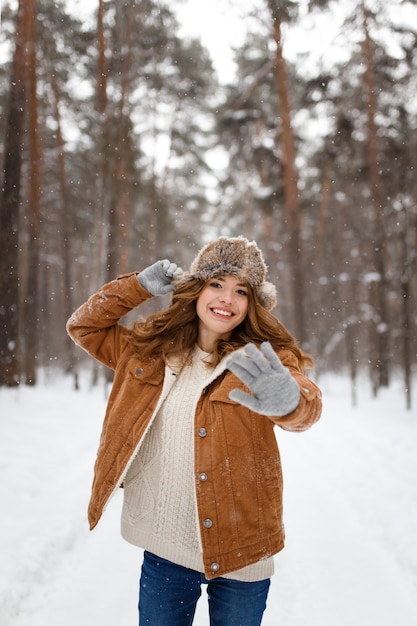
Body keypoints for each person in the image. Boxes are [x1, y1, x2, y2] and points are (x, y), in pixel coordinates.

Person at [67, 235, 322, 626]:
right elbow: (84, 326)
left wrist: (288, 400)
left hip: (244, 549)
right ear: (196, 289)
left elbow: (306, 407)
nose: (227, 299)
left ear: (253, 304)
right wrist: (135, 287)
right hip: (165, 545)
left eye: (241, 291)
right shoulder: (148, 351)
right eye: (216, 284)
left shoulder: (264, 359)